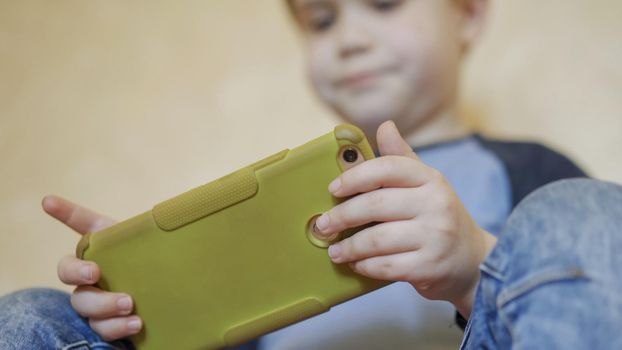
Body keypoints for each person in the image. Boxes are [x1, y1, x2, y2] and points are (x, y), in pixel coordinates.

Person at [0, 0, 592, 349]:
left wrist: (472, 267)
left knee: (575, 212)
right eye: (322, 19)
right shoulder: (272, 210)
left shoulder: (530, 171)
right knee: (31, 314)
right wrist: (155, 302)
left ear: (468, 13)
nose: (351, 39)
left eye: (384, 3)